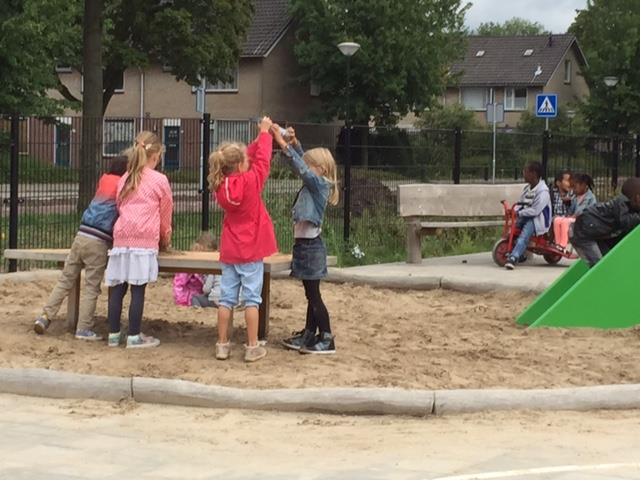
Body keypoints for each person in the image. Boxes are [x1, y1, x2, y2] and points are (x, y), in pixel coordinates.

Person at [34, 156, 128, 340]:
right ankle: (83, 328)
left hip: (82, 234)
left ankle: (45, 317)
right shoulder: (122, 186)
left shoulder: (104, 180)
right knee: (92, 287)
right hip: (99, 240)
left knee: (65, 280)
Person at [208, 116, 277, 363]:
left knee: (226, 299)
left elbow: (245, 156)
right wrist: (267, 135)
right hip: (251, 250)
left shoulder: (221, 184)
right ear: (240, 165)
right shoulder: (251, 180)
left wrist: (261, 135)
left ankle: (222, 344)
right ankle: (251, 346)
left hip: (230, 249)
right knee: (251, 300)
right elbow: (263, 161)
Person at [272, 125, 339, 355]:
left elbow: (302, 168)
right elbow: (302, 162)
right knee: (310, 294)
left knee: (314, 295)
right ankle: (310, 333)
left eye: (311, 166)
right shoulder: (316, 180)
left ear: (319, 169)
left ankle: (327, 337)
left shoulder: (320, 184)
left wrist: (283, 145)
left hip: (311, 248)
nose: (305, 169)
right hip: (304, 246)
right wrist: (294, 143)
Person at [105, 131, 173, 348]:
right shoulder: (159, 180)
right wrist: (165, 237)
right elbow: (165, 212)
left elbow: (118, 205)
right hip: (143, 239)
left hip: (122, 237)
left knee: (117, 287)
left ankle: (113, 334)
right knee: (138, 288)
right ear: (156, 156)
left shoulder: (125, 178)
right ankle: (134, 335)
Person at [569, 177, 640, 268]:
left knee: (609, 260)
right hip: (583, 234)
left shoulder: (630, 207)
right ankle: (597, 279)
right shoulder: (621, 204)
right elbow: (625, 221)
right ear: (634, 197)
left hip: (594, 235)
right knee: (599, 265)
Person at [505, 161, 552, 270]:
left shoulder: (543, 191)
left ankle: (513, 257)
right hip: (526, 216)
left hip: (537, 220)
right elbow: (520, 203)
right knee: (513, 230)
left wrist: (518, 213)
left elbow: (535, 211)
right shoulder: (527, 188)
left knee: (524, 236)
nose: (523, 173)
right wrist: (513, 210)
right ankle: (518, 253)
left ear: (534, 174)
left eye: (526, 171)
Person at [172, 232, 221, 308]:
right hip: (187, 297)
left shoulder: (209, 267)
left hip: (201, 296)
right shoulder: (189, 265)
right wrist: (181, 299)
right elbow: (179, 283)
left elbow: (206, 287)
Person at [552, 173, 597, 250]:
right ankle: (557, 243)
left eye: (576, 187)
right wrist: (566, 215)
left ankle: (562, 245)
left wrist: (571, 217)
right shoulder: (576, 197)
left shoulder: (589, 197)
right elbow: (571, 210)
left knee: (566, 222)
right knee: (557, 220)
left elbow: (581, 211)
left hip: (584, 220)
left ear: (584, 185)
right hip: (575, 219)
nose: (574, 190)